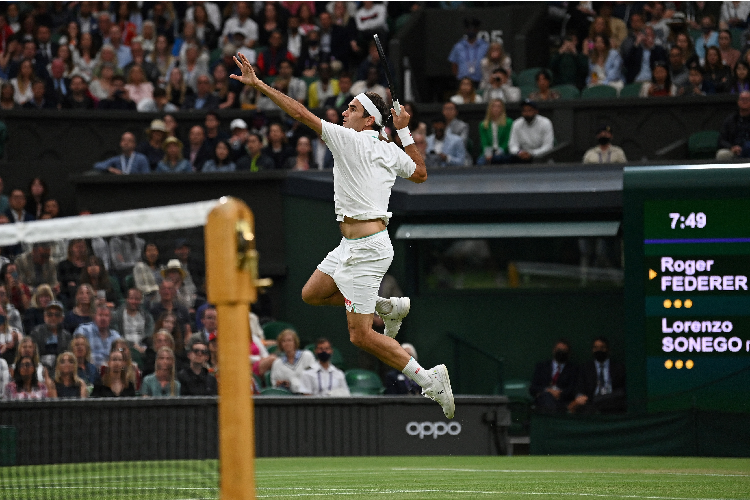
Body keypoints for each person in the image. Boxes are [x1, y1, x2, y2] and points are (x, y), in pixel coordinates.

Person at [232, 51, 454, 417]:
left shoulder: (350, 140)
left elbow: (300, 113)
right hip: (352, 245)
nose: (343, 112)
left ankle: (430, 379)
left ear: (368, 120)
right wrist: (403, 130)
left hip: (367, 248)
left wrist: (258, 85)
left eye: (351, 108)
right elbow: (420, 172)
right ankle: (387, 305)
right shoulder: (387, 147)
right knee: (312, 293)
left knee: (361, 335)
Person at [567, 336, 626, 414]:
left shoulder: (618, 367)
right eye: (596, 348)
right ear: (592, 350)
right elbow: (580, 387)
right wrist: (579, 398)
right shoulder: (585, 368)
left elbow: (621, 390)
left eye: (602, 347)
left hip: (612, 403)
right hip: (591, 404)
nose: (599, 350)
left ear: (608, 350)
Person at [530, 339, 578, 413]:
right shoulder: (542, 366)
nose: (561, 352)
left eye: (564, 351)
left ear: (568, 353)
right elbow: (533, 388)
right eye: (559, 350)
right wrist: (548, 390)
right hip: (543, 401)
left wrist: (559, 393)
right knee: (547, 397)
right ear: (554, 350)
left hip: (562, 401)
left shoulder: (573, 369)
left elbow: (572, 390)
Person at [29, 300, 70, 375]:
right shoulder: (36, 333)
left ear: (62, 318)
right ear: (45, 317)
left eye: (57, 315)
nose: (53, 317)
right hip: (39, 370)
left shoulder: (67, 336)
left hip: (61, 372)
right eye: (50, 314)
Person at [111, 288, 154, 353]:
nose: (134, 301)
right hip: (123, 348)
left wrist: (144, 347)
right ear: (126, 299)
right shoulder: (117, 316)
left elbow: (149, 334)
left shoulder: (147, 317)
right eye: (131, 298)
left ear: (141, 300)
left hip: (143, 348)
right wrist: (132, 345)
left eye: (137, 299)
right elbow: (116, 336)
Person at [448, 17, 488, 86]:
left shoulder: (485, 46)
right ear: (466, 30)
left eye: (473, 29)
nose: (471, 31)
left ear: (477, 30)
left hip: (480, 81)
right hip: (463, 81)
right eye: (469, 29)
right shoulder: (458, 46)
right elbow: (454, 64)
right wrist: (458, 77)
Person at [478, 99, 513, 166]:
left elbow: (507, 140)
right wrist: (488, 153)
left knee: (497, 159)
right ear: (490, 109)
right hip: (489, 152)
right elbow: (484, 142)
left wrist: (499, 151)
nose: (496, 109)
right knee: (480, 161)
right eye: (493, 106)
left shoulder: (508, 122)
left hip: (503, 152)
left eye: (498, 106)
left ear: (502, 109)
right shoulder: (483, 125)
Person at [716, 90, 750, 159]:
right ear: (738, 102)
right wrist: (732, 147)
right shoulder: (731, 119)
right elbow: (721, 140)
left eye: (747, 99)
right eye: (742, 99)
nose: (744, 101)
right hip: (734, 149)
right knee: (722, 154)